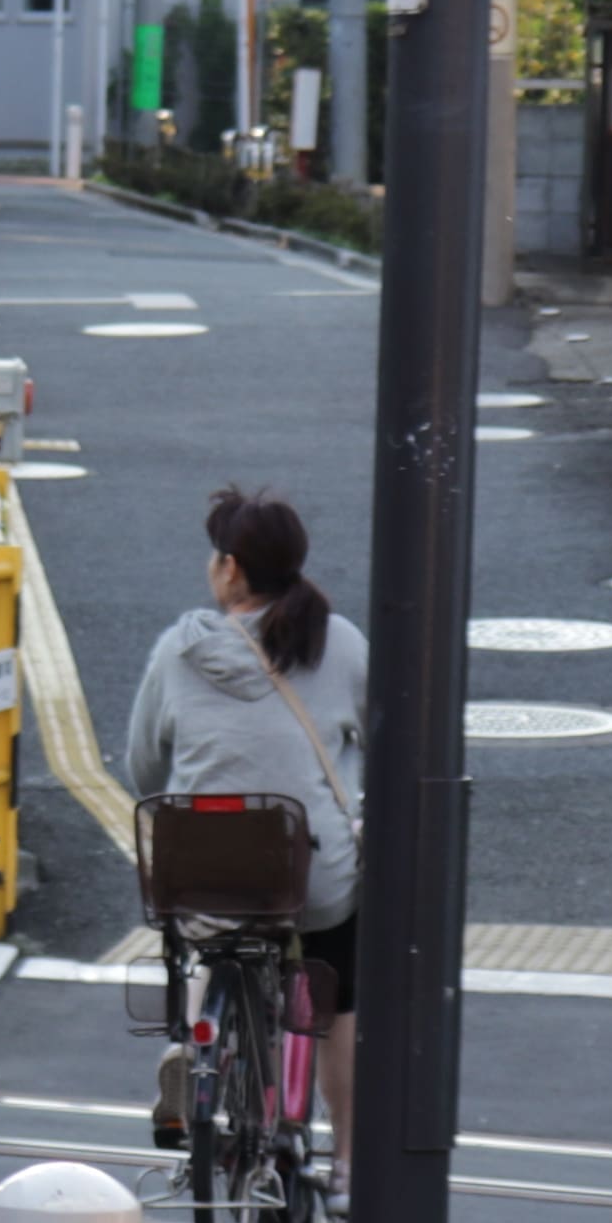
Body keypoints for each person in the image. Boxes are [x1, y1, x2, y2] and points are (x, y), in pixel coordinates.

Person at [114, 485, 365, 1155]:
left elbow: (143, 768)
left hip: (201, 864)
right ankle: (343, 1166)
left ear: (229, 568)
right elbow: (382, 741)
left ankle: (192, 1040)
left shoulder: (179, 649)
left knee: (212, 927)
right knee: (336, 986)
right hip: (305, 870)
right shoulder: (337, 642)